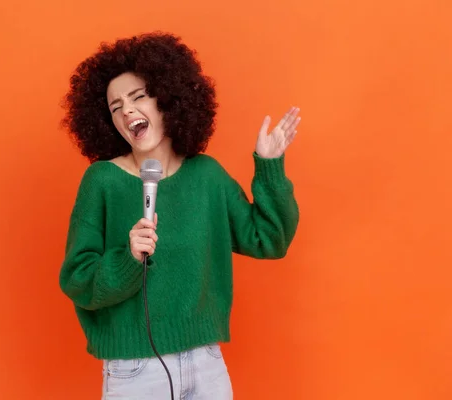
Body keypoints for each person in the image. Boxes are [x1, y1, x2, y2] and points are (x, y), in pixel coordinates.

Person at [58, 31, 300, 399]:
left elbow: (269, 239)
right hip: (134, 370)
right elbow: (78, 279)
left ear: (169, 98)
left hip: (206, 364)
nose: (127, 111)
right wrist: (127, 258)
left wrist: (269, 167)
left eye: (138, 97)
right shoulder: (102, 181)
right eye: (115, 106)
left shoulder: (207, 176)